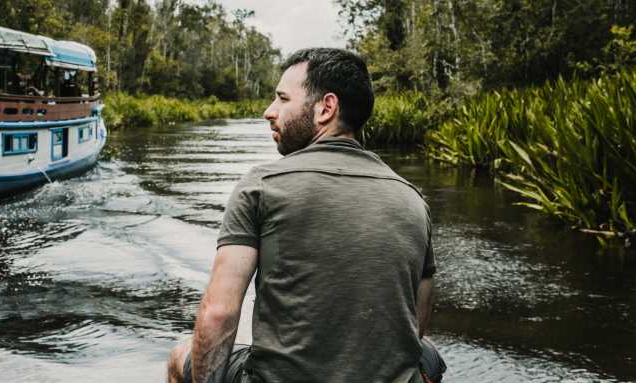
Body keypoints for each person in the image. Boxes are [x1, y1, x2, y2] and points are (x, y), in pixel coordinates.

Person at [167, 48, 436, 383]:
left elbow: (219, 314)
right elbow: (418, 324)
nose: (269, 111)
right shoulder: (412, 198)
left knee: (181, 356)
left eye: (282, 99)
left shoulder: (261, 185)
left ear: (326, 108)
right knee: (429, 356)